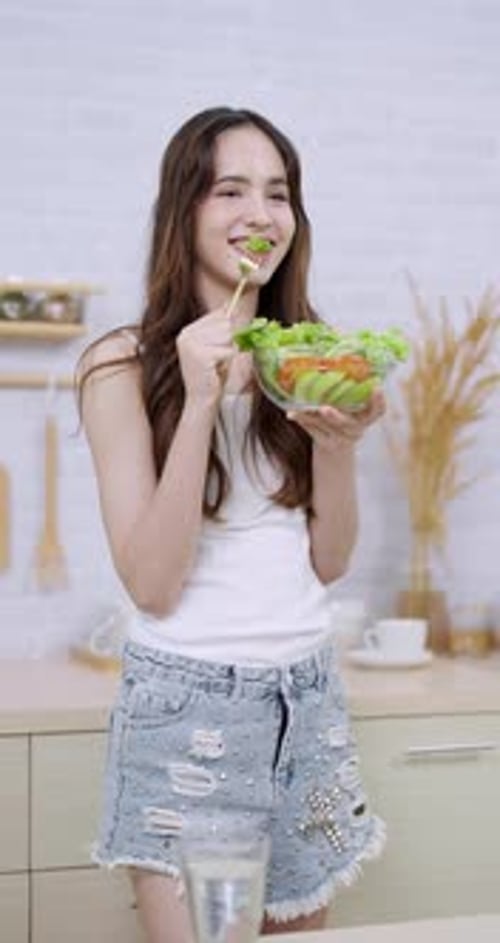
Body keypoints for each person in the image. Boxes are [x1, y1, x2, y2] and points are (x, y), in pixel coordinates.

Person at [78, 106, 386, 943]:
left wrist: (340, 441)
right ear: (185, 209)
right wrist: (203, 401)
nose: (261, 213)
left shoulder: (307, 353)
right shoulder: (120, 364)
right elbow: (151, 579)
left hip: (308, 699)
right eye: (231, 189)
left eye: (279, 193)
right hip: (185, 708)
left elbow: (329, 562)